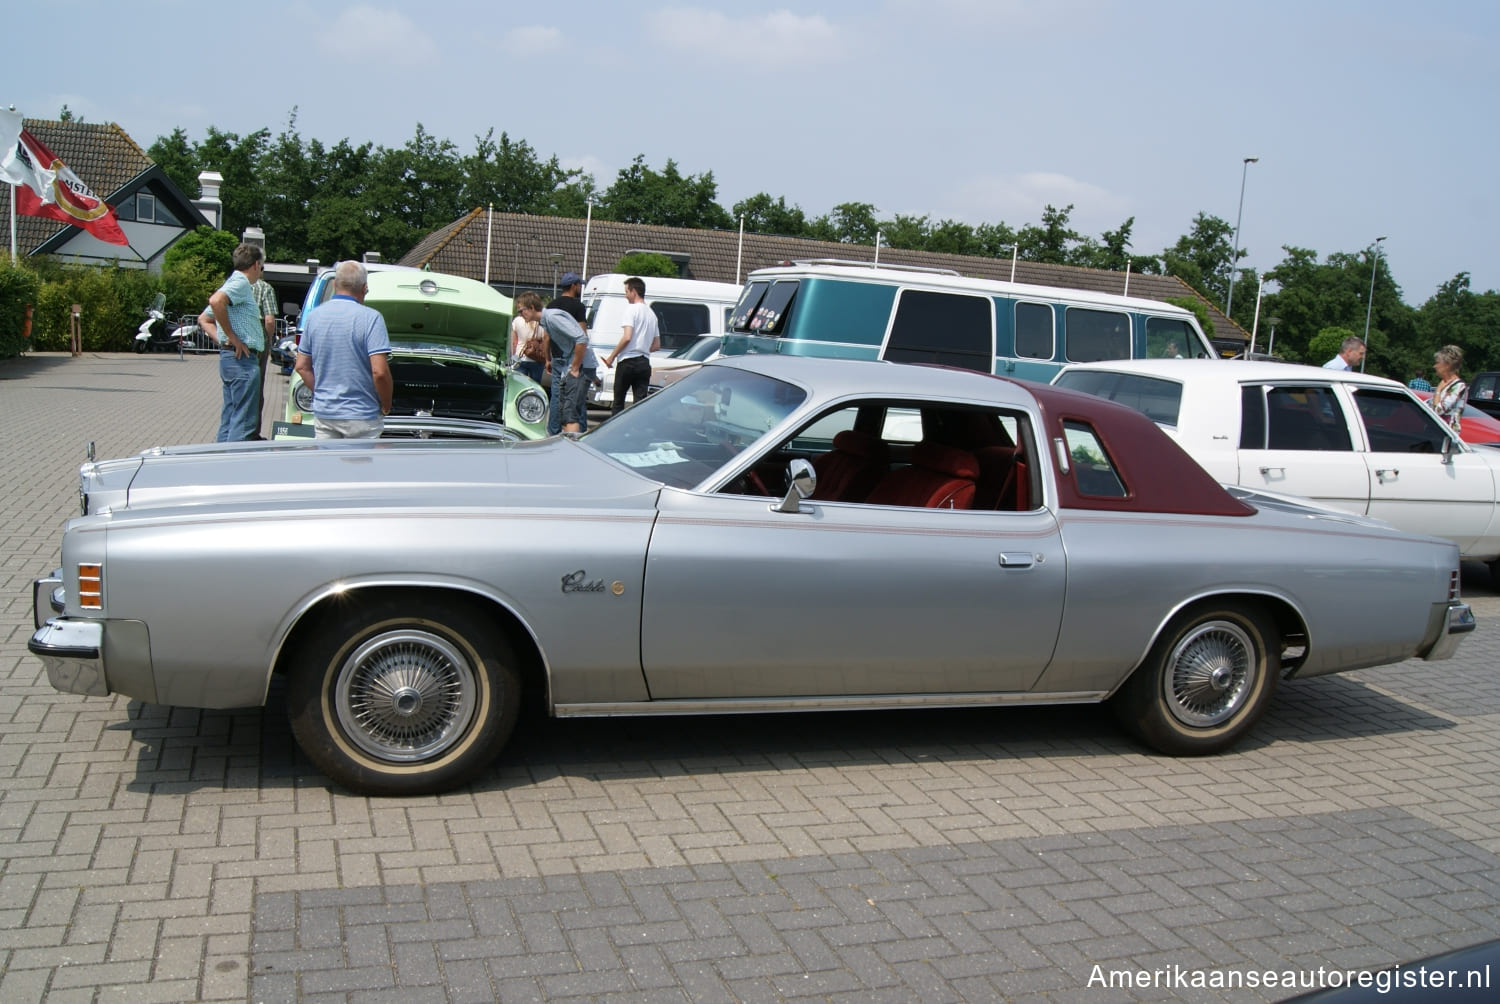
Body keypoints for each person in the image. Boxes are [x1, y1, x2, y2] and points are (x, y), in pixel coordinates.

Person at [293, 260, 393, 439]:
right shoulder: (372, 318)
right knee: (360, 467)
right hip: (362, 415)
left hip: (325, 415)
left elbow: (301, 366)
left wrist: (323, 392)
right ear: (364, 288)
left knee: (327, 467)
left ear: (334, 284)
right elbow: (379, 372)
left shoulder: (314, 317)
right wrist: (386, 404)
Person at [209, 243, 268, 442]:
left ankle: (221, 462)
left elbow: (204, 318)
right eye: (262, 267)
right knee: (244, 420)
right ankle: (234, 467)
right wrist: (232, 338)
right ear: (255, 265)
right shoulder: (241, 283)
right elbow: (216, 302)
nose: (261, 271)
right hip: (242, 360)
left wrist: (224, 339)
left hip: (231, 359)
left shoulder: (231, 283)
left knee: (231, 415)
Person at [526, 289, 596, 435]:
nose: (520, 314)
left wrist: (575, 368)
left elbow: (581, 339)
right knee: (565, 412)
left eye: (521, 310)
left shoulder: (552, 317)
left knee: (570, 414)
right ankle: (563, 443)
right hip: (568, 365)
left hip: (579, 366)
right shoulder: (546, 320)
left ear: (531, 308)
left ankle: (572, 450)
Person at [601, 276, 660, 413]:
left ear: (634, 291)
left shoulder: (631, 310)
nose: (625, 295)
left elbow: (627, 337)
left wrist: (611, 357)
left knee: (618, 401)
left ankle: (616, 431)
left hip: (628, 361)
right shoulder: (652, 315)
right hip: (644, 362)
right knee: (639, 403)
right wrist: (643, 347)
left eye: (626, 291)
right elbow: (657, 345)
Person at [251, 271, 278, 438]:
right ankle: (253, 432)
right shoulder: (265, 288)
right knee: (256, 389)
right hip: (258, 343)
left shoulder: (230, 286)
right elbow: (269, 320)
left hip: (234, 345)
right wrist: (268, 341)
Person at [1429, 344, 1467, 434]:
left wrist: (1438, 390)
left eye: (1437, 362)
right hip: (1436, 431)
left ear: (1447, 365)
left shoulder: (1459, 386)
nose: (1434, 366)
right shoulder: (1444, 384)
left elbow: (1438, 410)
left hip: (1447, 433)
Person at [509, 299, 546, 383]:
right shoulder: (540, 321)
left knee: (520, 384)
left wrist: (513, 357)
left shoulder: (517, 321)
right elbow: (545, 339)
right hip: (537, 358)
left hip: (520, 357)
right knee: (535, 385)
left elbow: (514, 342)